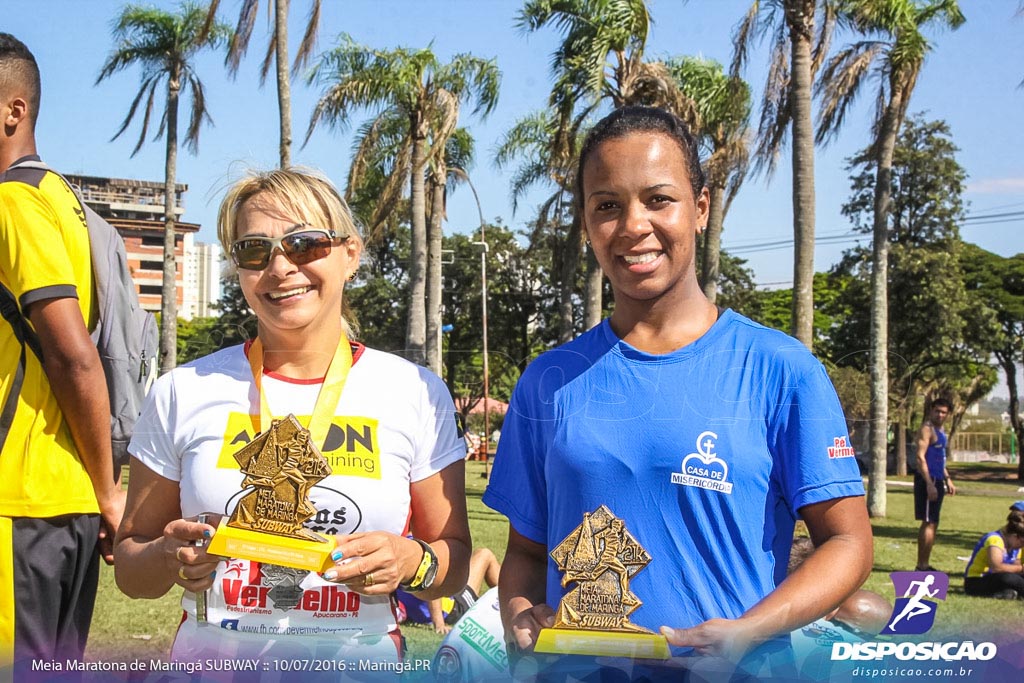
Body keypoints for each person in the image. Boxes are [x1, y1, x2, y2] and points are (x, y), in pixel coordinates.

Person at [482, 106, 873, 671]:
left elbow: (849, 544)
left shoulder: (780, 369)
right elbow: (525, 551)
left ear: (701, 208)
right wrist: (520, 608)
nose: (633, 225)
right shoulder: (549, 380)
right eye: (607, 206)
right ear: (588, 223)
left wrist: (747, 630)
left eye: (658, 199)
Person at [114, 168, 471, 667]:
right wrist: (166, 556)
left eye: (304, 244)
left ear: (350, 255)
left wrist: (412, 559)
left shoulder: (414, 391)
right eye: (254, 250)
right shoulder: (182, 390)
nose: (280, 266)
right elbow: (130, 569)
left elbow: (453, 563)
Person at [0, 33, 124, 669]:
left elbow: (74, 354)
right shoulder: (62, 198)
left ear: (13, 111)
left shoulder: (13, 201)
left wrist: (109, 490)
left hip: (20, 499)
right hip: (62, 501)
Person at [397, 547, 500, 634]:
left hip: (415, 611)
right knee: (485, 554)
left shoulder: (395, 546)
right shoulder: (418, 548)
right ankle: (510, 600)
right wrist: (439, 624)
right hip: (454, 609)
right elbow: (432, 582)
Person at [913, 398, 956, 571]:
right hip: (928, 480)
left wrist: (947, 478)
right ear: (931, 410)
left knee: (933, 522)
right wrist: (929, 483)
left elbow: (940, 459)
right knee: (928, 522)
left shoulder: (941, 430)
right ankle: (921, 565)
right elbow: (920, 457)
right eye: (937, 411)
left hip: (938, 479)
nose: (940, 415)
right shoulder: (927, 429)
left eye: (943, 412)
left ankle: (925, 563)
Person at [963, 509, 1024, 600]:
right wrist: (1022, 568)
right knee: (1008, 578)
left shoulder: (1016, 547)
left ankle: (1006, 593)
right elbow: (996, 568)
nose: (1022, 545)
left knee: (1013, 578)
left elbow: (1015, 568)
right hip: (977, 581)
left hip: (997, 578)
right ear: (1014, 536)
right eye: (1022, 542)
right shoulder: (994, 540)